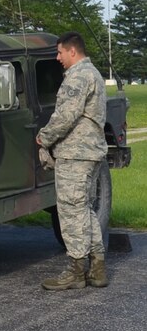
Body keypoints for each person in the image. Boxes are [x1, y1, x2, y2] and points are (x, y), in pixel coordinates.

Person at [36, 31, 108, 291]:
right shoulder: (94, 74)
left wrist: (43, 138)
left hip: (76, 154)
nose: (57, 58)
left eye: (59, 52)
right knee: (85, 209)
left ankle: (76, 272)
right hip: (91, 153)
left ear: (72, 51)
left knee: (70, 210)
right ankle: (97, 269)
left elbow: (66, 116)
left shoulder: (77, 77)